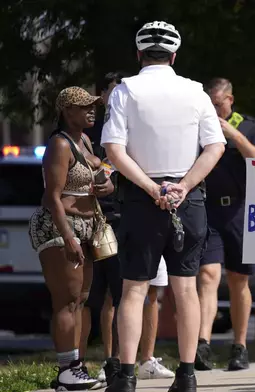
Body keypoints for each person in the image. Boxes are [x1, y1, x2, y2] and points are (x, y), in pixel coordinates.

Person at [101, 21, 226, 392]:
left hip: (142, 199)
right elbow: (215, 147)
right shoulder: (196, 92)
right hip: (188, 201)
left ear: (139, 54)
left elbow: (114, 150)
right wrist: (184, 186)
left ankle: (125, 376)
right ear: (174, 55)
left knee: (134, 290)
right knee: (185, 289)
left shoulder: (126, 90)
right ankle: (186, 375)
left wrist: (150, 187)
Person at [28, 86, 112, 391]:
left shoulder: (85, 140)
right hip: (60, 228)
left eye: (93, 106)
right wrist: (69, 238)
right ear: (67, 111)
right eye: (84, 106)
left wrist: (106, 185)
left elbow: (99, 171)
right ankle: (66, 369)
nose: (92, 110)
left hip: (87, 227)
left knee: (81, 300)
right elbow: (52, 197)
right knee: (66, 300)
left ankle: (76, 366)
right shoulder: (60, 145)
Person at [194, 77, 255, 371]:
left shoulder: (250, 126)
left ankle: (239, 347)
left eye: (217, 104)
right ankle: (202, 345)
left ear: (230, 100)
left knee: (239, 279)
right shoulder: (199, 126)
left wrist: (235, 136)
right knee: (207, 275)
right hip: (208, 209)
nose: (213, 110)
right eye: (209, 104)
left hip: (240, 210)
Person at [82, 71, 128, 386]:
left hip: (128, 216)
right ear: (102, 94)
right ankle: (92, 362)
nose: (120, 95)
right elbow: (98, 161)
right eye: (114, 90)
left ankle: (120, 361)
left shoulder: (130, 123)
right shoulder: (92, 129)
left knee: (125, 292)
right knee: (94, 295)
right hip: (98, 220)